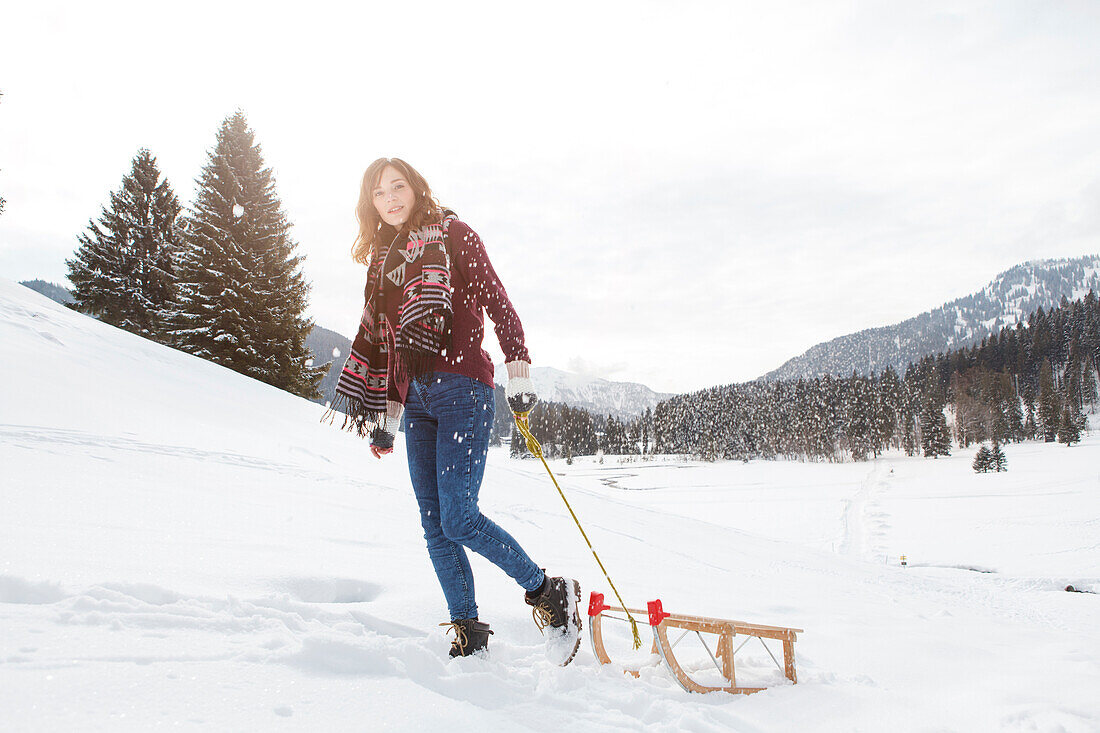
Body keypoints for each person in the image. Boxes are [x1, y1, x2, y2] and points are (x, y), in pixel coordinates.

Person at [327, 157, 582, 664]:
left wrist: (519, 369)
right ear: (370, 204)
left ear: (416, 188)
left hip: (464, 389)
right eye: (379, 194)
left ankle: (548, 591)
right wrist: (387, 419)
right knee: (433, 524)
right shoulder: (383, 263)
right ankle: (468, 631)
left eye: (398, 187)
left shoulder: (454, 234)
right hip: (416, 401)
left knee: (459, 518)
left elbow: (497, 300)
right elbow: (391, 347)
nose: (391, 199)